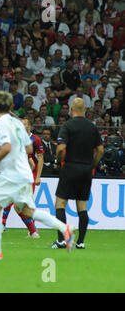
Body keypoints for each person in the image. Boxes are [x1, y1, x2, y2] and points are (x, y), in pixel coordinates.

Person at [0, 91, 76, 260]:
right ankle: (64, 228)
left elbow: (7, 147)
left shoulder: (1, 123)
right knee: (28, 211)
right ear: (11, 106)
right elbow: (29, 149)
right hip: (24, 173)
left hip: (12, 174)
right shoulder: (17, 124)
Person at [52, 98, 104, 249]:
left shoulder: (67, 126)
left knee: (60, 203)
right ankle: (80, 242)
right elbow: (100, 150)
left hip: (70, 167)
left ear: (71, 109)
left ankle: (62, 240)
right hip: (86, 169)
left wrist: (58, 162)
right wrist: (92, 165)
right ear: (85, 109)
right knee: (82, 206)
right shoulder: (92, 127)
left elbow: (61, 149)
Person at [1, 118, 43, 238]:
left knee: (22, 205)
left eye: (24, 125)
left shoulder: (35, 139)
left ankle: (33, 231)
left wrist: (38, 177)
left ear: (29, 126)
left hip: (30, 175)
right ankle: (32, 231)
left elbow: (38, 160)